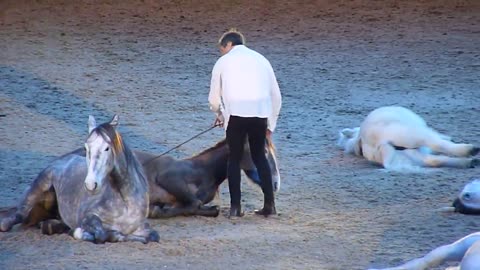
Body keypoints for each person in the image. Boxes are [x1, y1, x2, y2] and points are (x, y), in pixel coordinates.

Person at [208, 29, 282, 217]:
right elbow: (277, 97)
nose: (222, 52)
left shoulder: (223, 62)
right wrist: (270, 126)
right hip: (259, 115)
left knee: (234, 159)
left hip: (236, 116)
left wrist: (220, 114)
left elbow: (213, 100)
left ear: (228, 45)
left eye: (222, 49)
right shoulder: (262, 60)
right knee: (259, 157)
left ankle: (235, 208)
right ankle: (270, 206)